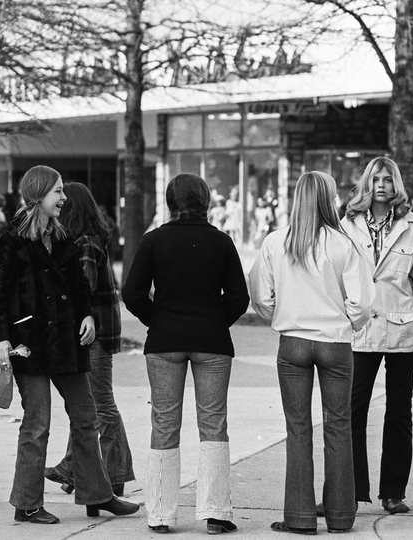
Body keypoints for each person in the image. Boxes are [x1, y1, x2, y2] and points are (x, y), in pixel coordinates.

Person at [0, 165, 139, 525]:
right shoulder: (12, 240)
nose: (64, 198)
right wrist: (1, 338)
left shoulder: (63, 236)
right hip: (30, 345)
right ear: (38, 195)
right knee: (37, 423)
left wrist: (88, 316)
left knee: (86, 417)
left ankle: (98, 495)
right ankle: (27, 503)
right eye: (57, 192)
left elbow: (81, 290)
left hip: (68, 344)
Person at [122, 173, 250, 535]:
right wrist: (213, 321)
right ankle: (215, 513)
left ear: (169, 202)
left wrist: (158, 320)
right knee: (213, 424)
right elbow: (239, 298)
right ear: (205, 201)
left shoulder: (153, 241)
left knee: (164, 424)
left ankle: (160, 514)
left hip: (164, 342)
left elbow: (132, 294)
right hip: (212, 343)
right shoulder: (221, 242)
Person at [249, 171, 373, 535]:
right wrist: (348, 323)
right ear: (328, 199)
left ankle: (300, 519)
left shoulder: (276, 242)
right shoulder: (343, 243)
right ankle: (339, 517)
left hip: (293, 343)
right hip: (335, 343)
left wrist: (285, 315)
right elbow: (362, 302)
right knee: (339, 428)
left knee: (298, 429)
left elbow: (261, 296)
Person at [341, 156, 413, 515]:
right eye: (375, 179)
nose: (381, 184)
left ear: (396, 183)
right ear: (366, 184)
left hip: (403, 330)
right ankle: (348, 490)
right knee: (352, 410)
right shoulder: (347, 224)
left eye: (387, 179)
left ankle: (393, 492)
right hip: (360, 329)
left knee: (399, 413)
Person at [44, 182, 134, 497]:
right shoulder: (90, 240)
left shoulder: (83, 244)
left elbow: (83, 291)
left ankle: (115, 471)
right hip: (96, 333)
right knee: (87, 403)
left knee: (100, 404)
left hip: (90, 335)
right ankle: (74, 466)